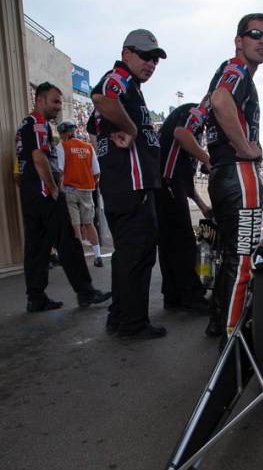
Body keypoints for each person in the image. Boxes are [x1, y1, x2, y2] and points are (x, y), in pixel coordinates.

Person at [91, 29, 167, 340]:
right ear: (127, 54)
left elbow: (94, 125)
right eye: (145, 56)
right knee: (138, 252)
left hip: (125, 183)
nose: (151, 63)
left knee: (127, 254)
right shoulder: (118, 77)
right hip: (130, 185)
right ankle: (133, 323)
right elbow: (101, 96)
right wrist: (131, 127)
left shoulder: (130, 85)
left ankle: (119, 315)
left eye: (155, 59)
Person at [204, 12, 263, 346]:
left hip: (222, 173)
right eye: (256, 34)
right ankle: (232, 338)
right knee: (243, 258)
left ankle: (219, 321)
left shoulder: (229, 72)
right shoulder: (237, 69)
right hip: (238, 174)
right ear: (239, 40)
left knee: (230, 254)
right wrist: (246, 148)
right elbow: (219, 101)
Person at [15, 81, 111, 312]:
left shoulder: (25, 124)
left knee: (36, 246)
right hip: (44, 193)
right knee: (68, 241)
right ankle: (86, 292)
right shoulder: (38, 124)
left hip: (30, 195)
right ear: (40, 100)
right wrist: (53, 188)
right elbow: (39, 157)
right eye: (55, 101)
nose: (59, 106)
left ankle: (35, 297)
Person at [155, 101, 212, 314]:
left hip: (165, 184)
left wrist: (202, 205)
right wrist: (208, 160)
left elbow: (186, 178)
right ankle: (192, 297)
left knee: (168, 242)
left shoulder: (196, 129)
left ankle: (172, 295)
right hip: (167, 181)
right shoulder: (197, 111)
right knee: (183, 241)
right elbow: (180, 133)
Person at [56, 120, 103, 267]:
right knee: (89, 223)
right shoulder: (88, 147)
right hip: (87, 189)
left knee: (75, 224)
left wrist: (58, 187)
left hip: (70, 189)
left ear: (63, 133)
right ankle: (98, 255)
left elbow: (60, 170)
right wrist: (90, 182)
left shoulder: (62, 146)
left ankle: (79, 257)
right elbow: (96, 172)